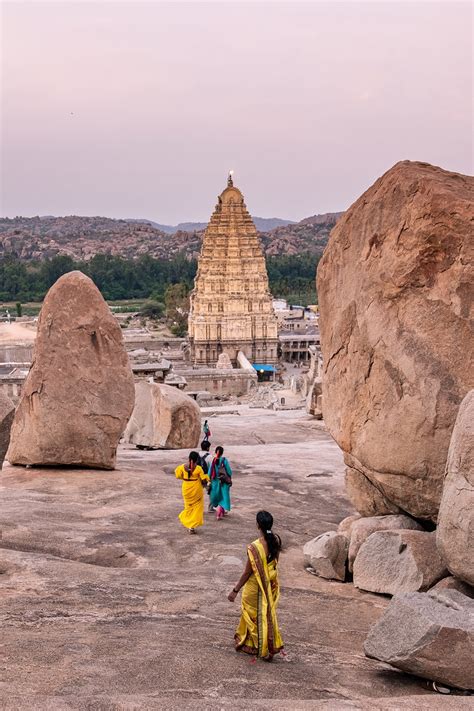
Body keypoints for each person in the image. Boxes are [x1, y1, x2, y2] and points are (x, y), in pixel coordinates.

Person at [228, 510, 284, 660]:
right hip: (269, 585)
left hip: (254, 587)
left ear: (257, 525)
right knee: (265, 615)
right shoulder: (276, 541)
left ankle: (260, 647)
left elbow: (247, 573)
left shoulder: (254, 547)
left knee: (252, 614)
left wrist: (235, 590)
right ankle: (266, 645)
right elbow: (274, 564)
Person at [175, 451, 210, 534]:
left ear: (189, 458)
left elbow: (178, 475)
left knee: (188, 507)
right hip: (196, 490)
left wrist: (186, 477)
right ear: (197, 459)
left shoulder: (182, 467)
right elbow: (203, 479)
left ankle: (188, 522)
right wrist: (208, 480)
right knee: (197, 509)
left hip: (186, 489)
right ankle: (192, 526)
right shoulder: (198, 468)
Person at [208, 445, 232, 520]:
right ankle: (220, 512)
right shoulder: (224, 460)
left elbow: (209, 473)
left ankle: (219, 511)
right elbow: (229, 471)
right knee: (223, 497)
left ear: (215, 452)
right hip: (223, 482)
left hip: (215, 482)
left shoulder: (213, 461)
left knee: (217, 496)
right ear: (222, 453)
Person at [199, 440, 214, 512]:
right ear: (208, 448)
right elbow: (211, 467)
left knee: (197, 491)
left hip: (197, 476)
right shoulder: (210, 457)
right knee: (211, 491)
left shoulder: (197, 454)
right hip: (206, 477)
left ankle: (196, 507)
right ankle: (210, 508)